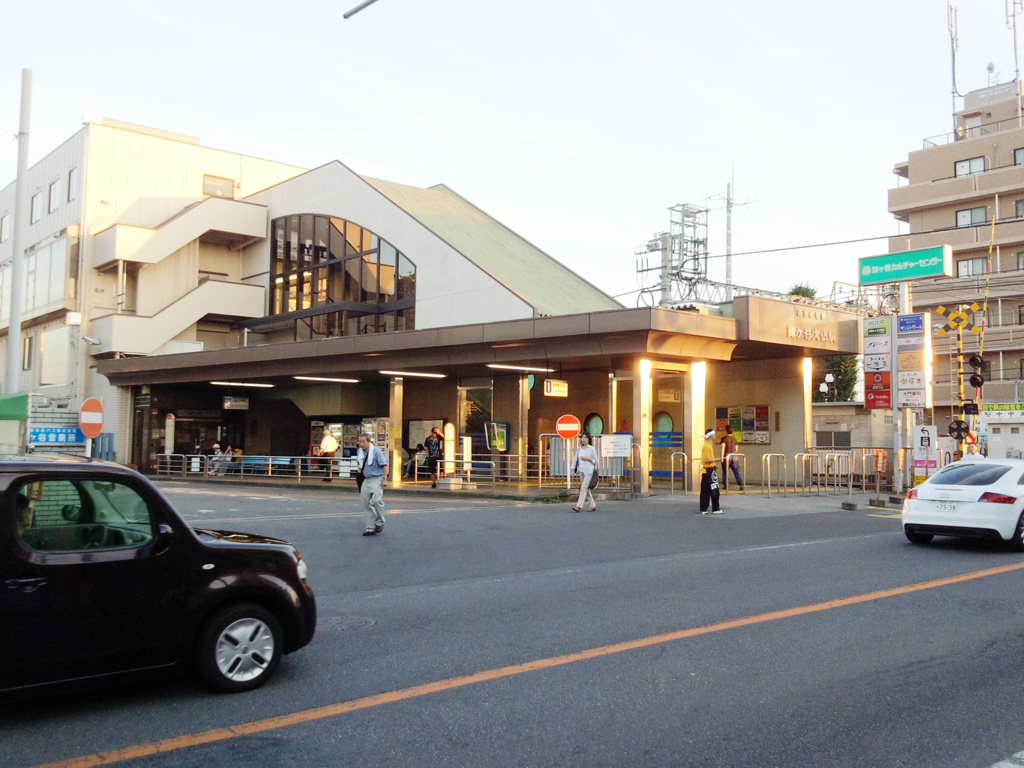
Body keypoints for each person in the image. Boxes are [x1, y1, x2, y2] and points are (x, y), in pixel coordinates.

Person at [357, 434, 388, 536]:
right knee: (366, 503)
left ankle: (380, 521)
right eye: (360, 442)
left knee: (376, 500)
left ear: (369, 441)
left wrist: (384, 479)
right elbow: (360, 463)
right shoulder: (360, 452)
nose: (361, 444)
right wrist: (359, 469)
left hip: (377, 478)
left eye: (363, 442)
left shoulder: (376, 451)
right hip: (366, 479)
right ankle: (370, 528)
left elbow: (384, 465)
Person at [570, 432, 599, 513]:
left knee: (583, 488)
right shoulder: (579, 449)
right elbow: (575, 460)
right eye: (582, 437)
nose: (583, 439)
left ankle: (579, 506)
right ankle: (593, 505)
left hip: (589, 470)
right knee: (586, 489)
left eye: (585, 438)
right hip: (581, 470)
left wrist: (588, 459)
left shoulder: (591, 449)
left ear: (589, 439)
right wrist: (572, 470)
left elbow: (595, 461)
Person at [700, 428, 723, 515]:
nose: (715, 436)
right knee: (706, 491)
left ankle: (715, 508)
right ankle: (704, 508)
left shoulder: (709, 445)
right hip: (707, 470)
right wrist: (717, 459)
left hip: (711, 470)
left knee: (714, 490)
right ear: (710, 435)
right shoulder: (706, 446)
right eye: (713, 434)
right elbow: (706, 460)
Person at [720, 425, 743, 490]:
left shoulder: (724, 438)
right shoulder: (734, 439)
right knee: (736, 470)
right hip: (734, 455)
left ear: (725, 431)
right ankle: (740, 482)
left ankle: (726, 485)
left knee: (725, 471)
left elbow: (723, 448)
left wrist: (722, 458)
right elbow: (736, 448)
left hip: (726, 455)